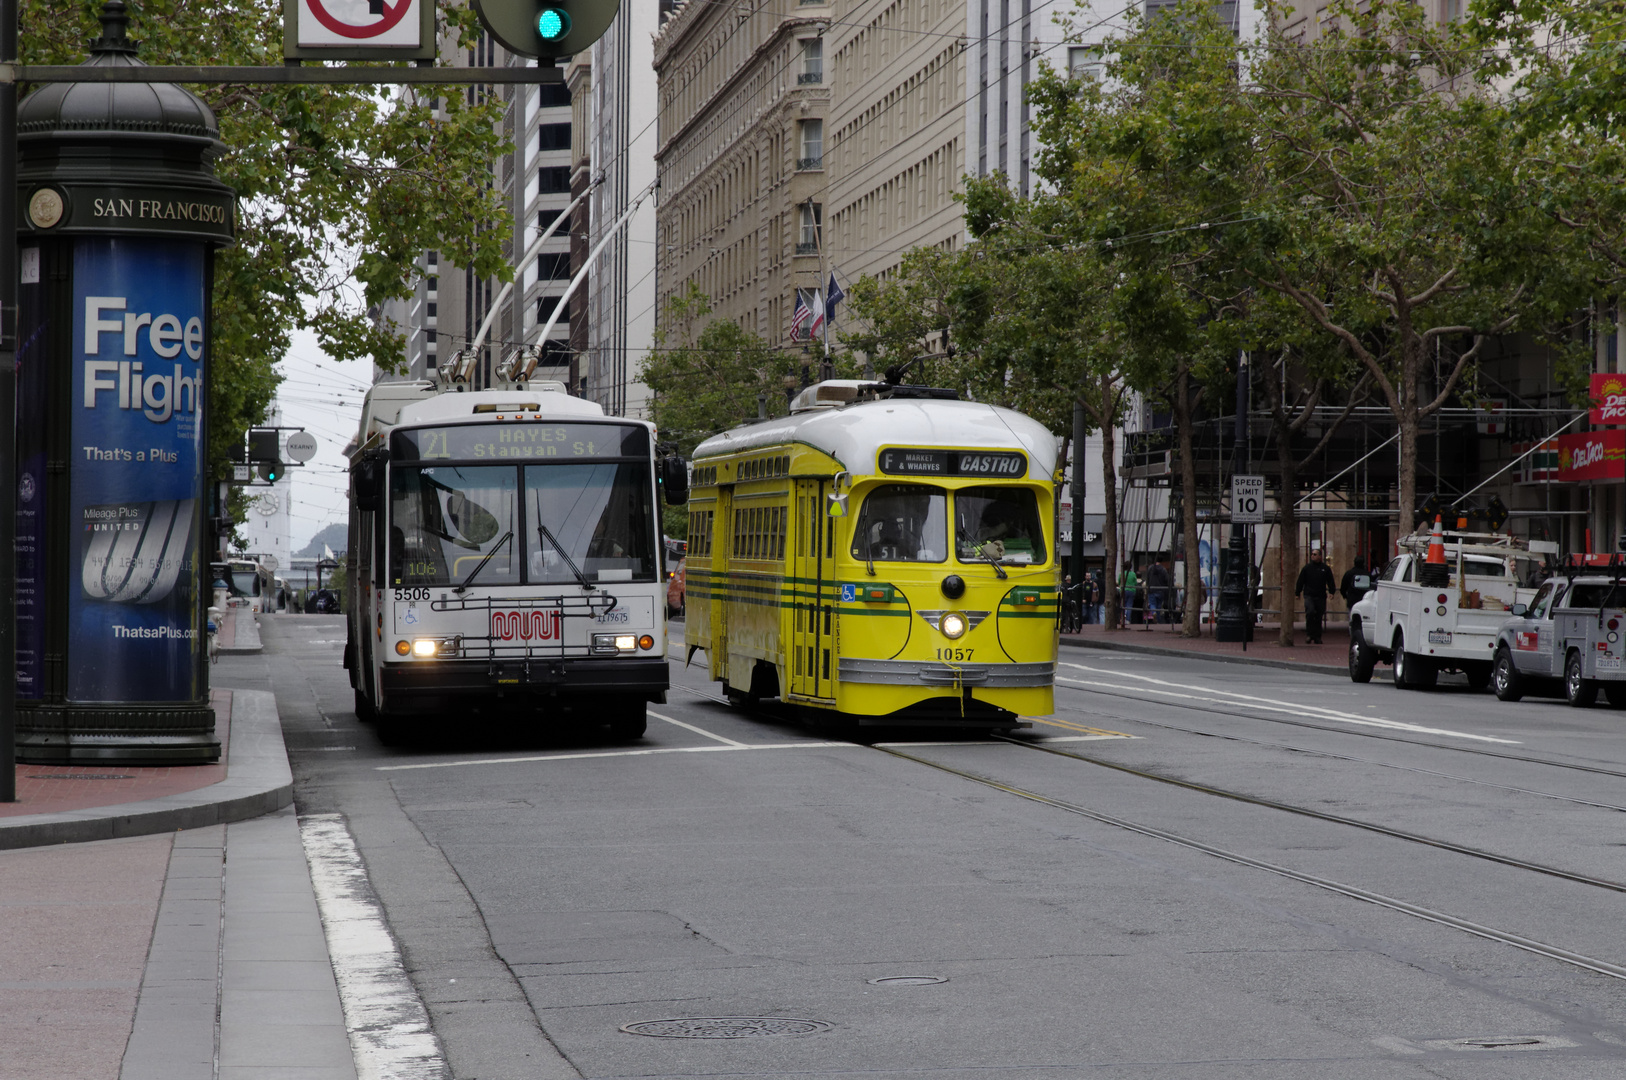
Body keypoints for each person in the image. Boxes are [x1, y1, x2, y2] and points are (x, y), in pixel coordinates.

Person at [1295, 547, 1338, 644]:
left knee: (1319, 615)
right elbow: (1300, 581)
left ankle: (1317, 636)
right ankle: (1309, 634)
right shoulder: (1307, 568)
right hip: (1309, 595)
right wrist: (1297, 593)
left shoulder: (1325, 568)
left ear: (1320, 556)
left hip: (1321, 596)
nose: (1312, 556)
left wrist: (1332, 592)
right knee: (1310, 612)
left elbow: (1330, 580)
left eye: (1315, 554)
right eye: (1312, 554)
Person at [1146, 556, 1173, 626]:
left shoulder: (1150, 568)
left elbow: (1147, 579)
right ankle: (1157, 619)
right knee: (1158, 605)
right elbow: (1167, 580)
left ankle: (1153, 612)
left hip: (1151, 589)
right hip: (1161, 590)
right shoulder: (1163, 569)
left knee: (1152, 604)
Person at [1118, 561, 1137, 627]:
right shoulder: (1133, 574)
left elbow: (1119, 582)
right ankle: (1128, 620)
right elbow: (1135, 583)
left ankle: (1122, 618)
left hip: (1123, 590)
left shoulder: (1122, 574)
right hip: (1132, 590)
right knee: (1129, 605)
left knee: (1123, 605)